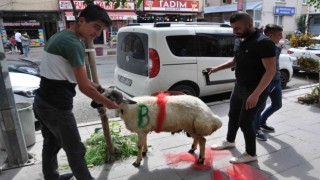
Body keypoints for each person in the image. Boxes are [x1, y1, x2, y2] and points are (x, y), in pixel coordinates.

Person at [33, 5, 118, 180]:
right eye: (95, 26)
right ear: (81, 21)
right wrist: (108, 103)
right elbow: (83, 88)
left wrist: (98, 87)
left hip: (42, 101)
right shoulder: (74, 44)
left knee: (51, 144)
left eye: (101, 29)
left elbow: (79, 78)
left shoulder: (61, 36)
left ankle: (51, 177)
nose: (97, 33)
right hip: (57, 107)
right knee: (76, 150)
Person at [207, 12, 276, 164]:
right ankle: (230, 141)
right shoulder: (240, 39)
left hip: (255, 90)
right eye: (233, 28)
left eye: (237, 28)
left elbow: (271, 71)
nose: (234, 31)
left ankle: (251, 154)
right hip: (239, 86)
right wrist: (217, 68)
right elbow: (235, 60)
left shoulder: (263, 42)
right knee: (233, 115)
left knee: (245, 122)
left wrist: (256, 94)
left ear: (250, 25)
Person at [254, 24, 283, 141]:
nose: (282, 37)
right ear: (271, 35)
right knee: (259, 107)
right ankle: (255, 128)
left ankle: (261, 122)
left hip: (276, 80)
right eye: (279, 35)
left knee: (277, 104)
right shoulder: (260, 46)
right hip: (265, 81)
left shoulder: (278, 48)